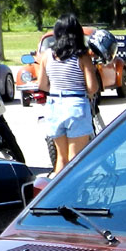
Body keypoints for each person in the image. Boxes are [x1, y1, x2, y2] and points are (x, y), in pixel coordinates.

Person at [34, 13, 99, 175]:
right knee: (76, 160)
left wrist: (58, 88)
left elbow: (42, 84)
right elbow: (92, 88)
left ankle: (58, 190)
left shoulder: (47, 55)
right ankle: (76, 191)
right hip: (75, 106)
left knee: (61, 159)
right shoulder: (82, 56)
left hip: (54, 107)